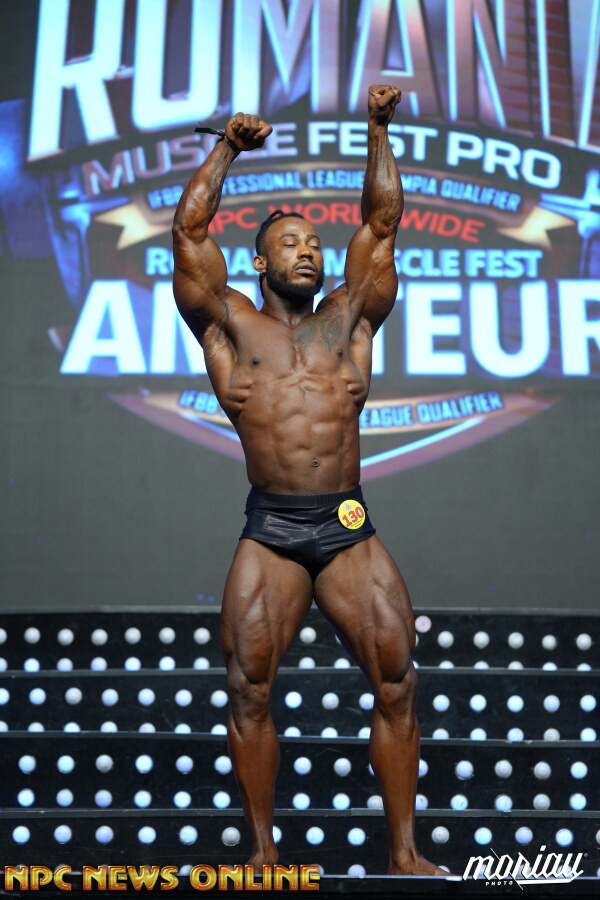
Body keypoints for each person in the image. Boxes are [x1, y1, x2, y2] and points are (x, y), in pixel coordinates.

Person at [172, 86, 445, 877]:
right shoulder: (227, 323)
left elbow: (381, 226)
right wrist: (227, 146)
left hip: (347, 526)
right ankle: (263, 853)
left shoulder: (349, 318)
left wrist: (378, 130)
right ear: (259, 262)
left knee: (397, 681)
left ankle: (404, 853)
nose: (308, 252)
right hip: (273, 530)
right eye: (289, 243)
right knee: (248, 689)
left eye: (315, 243)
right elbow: (189, 234)